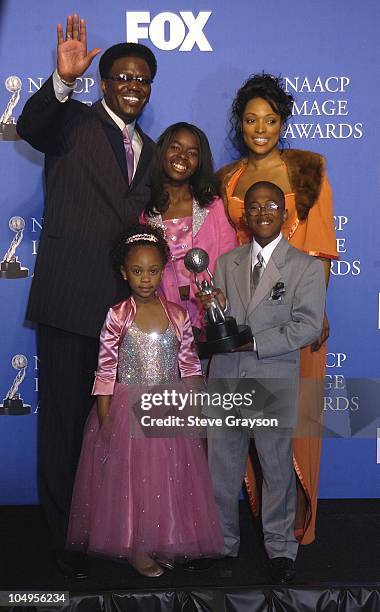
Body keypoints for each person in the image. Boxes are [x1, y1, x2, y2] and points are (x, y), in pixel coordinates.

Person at [16, 14, 157, 576]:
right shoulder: (69, 120)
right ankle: (64, 542)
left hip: (122, 314)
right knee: (64, 427)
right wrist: (60, 78)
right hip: (70, 300)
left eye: (141, 80)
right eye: (121, 77)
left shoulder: (148, 148)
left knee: (113, 431)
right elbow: (30, 126)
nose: (131, 87)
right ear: (103, 83)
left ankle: (107, 530)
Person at [217, 73, 338, 545]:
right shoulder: (229, 177)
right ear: (240, 124)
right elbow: (226, 248)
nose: (260, 128)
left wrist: (317, 310)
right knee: (243, 428)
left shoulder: (310, 169)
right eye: (250, 120)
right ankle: (249, 521)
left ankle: (292, 530)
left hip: (295, 318)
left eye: (270, 119)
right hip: (244, 318)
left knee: (293, 427)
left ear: (283, 122)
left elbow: (323, 247)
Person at [66, 224, 223, 577]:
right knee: (133, 483)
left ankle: (162, 540)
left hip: (169, 407)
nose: (146, 279)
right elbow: (106, 369)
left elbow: (190, 366)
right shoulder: (118, 315)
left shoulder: (179, 315)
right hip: (127, 410)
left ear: (164, 270)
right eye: (137, 271)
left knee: (168, 481)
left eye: (153, 271)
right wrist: (106, 417)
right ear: (124, 272)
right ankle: (137, 546)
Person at [200, 181, 326, 582]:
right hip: (225, 377)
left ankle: (280, 548)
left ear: (284, 213)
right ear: (244, 215)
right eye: (253, 207)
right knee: (221, 467)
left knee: (275, 468)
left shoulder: (304, 266)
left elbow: (307, 326)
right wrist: (214, 309)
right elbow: (219, 324)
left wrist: (254, 342)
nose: (262, 212)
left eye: (270, 205)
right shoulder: (226, 262)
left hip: (271, 378)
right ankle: (221, 542)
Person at [142, 122, 236, 332]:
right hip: (161, 326)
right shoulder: (145, 213)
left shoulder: (214, 208)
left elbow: (230, 265)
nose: (182, 156)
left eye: (192, 152)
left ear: (199, 162)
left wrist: (219, 308)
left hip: (208, 325)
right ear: (162, 152)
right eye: (175, 148)